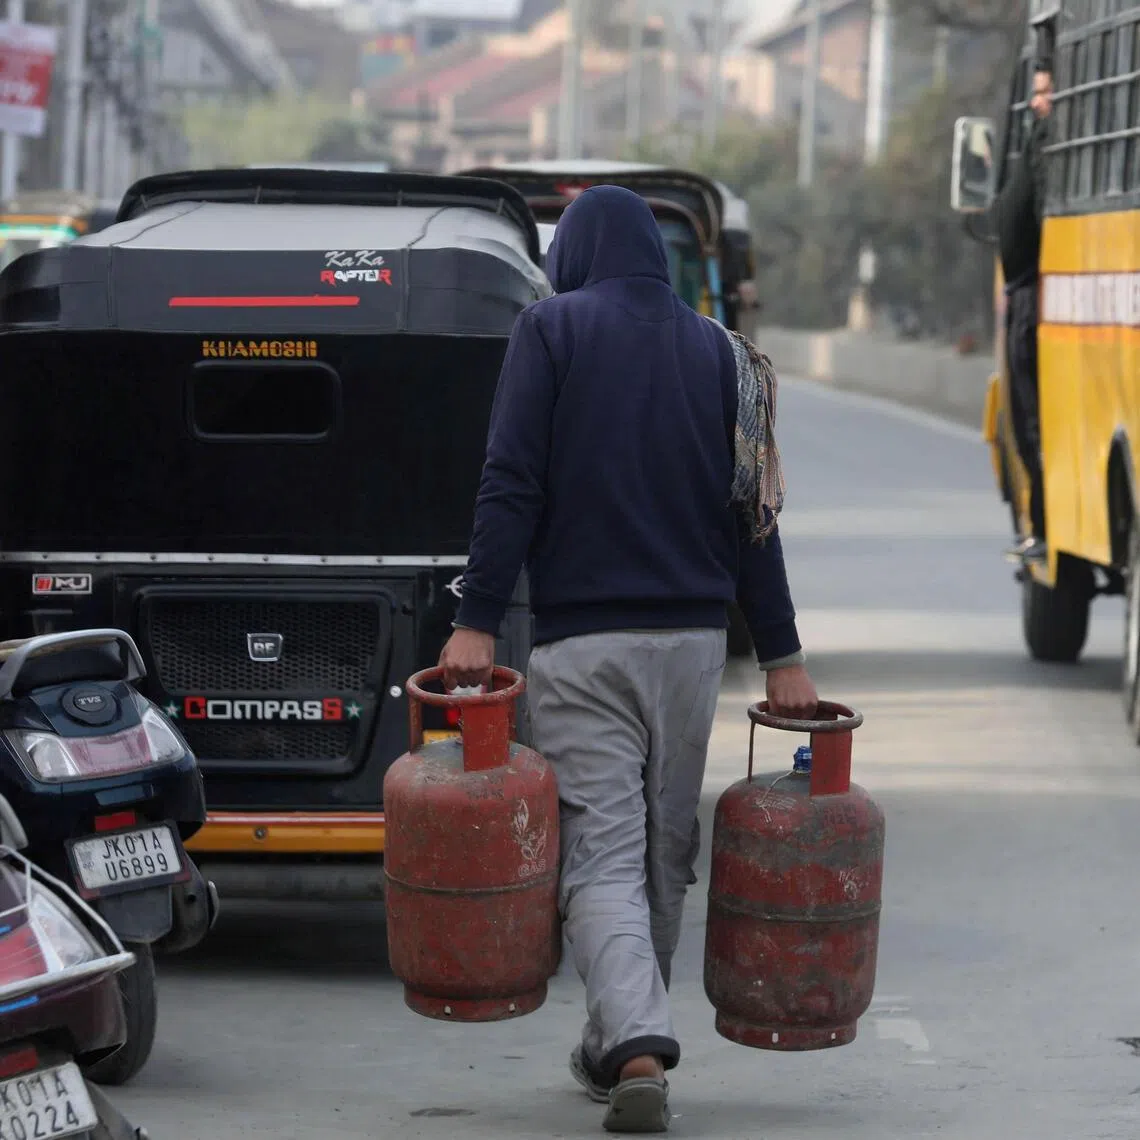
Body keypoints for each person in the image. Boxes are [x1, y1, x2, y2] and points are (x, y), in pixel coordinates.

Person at [439, 185, 817, 1134]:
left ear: (578, 256)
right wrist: (782, 655)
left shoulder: (550, 331)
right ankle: (617, 1039)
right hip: (692, 650)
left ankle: (639, 1046)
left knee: (601, 856)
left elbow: (510, 478)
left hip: (584, 646)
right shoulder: (726, 354)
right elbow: (755, 518)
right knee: (663, 854)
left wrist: (478, 617)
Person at [995, 61, 1053, 563]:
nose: (1037, 102)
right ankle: (1040, 524)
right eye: (1034, 93)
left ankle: (1048, 524)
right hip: (1023, 291)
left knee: (1035, 420)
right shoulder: (1038, 137)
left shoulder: (1055, 144)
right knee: (1022, 417)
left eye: (1046, 93)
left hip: (1037, 293)